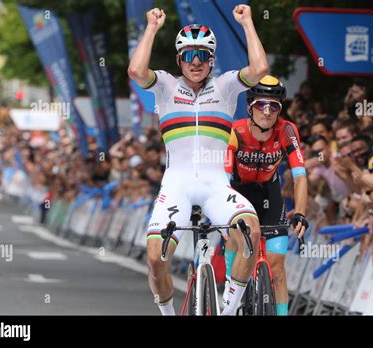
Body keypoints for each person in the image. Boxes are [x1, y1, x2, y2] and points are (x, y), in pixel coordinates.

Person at [128, 4, 269, 315]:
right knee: (155, 259)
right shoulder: (165, 85)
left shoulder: (226, 86)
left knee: (251, 232)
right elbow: (137, 71)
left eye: (203, 55)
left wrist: (247, 23)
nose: (196, 62)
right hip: (176, 186)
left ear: (211, 60)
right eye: (189, 55)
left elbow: (259, 69)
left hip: (216, 185)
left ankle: (229, 309)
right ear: (179, 59)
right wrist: (151, 28)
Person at [224, 76, 309, 315]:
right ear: (250, 107)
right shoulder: (235, 131)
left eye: (274, 106)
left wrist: (301, 211)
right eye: (262, 105)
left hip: (269, 194)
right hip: (237, 192)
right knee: (236, 239)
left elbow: (300, 175)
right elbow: (224, 177)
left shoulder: (287, 130)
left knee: (278, 268)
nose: (268, 111)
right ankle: (231, 292)